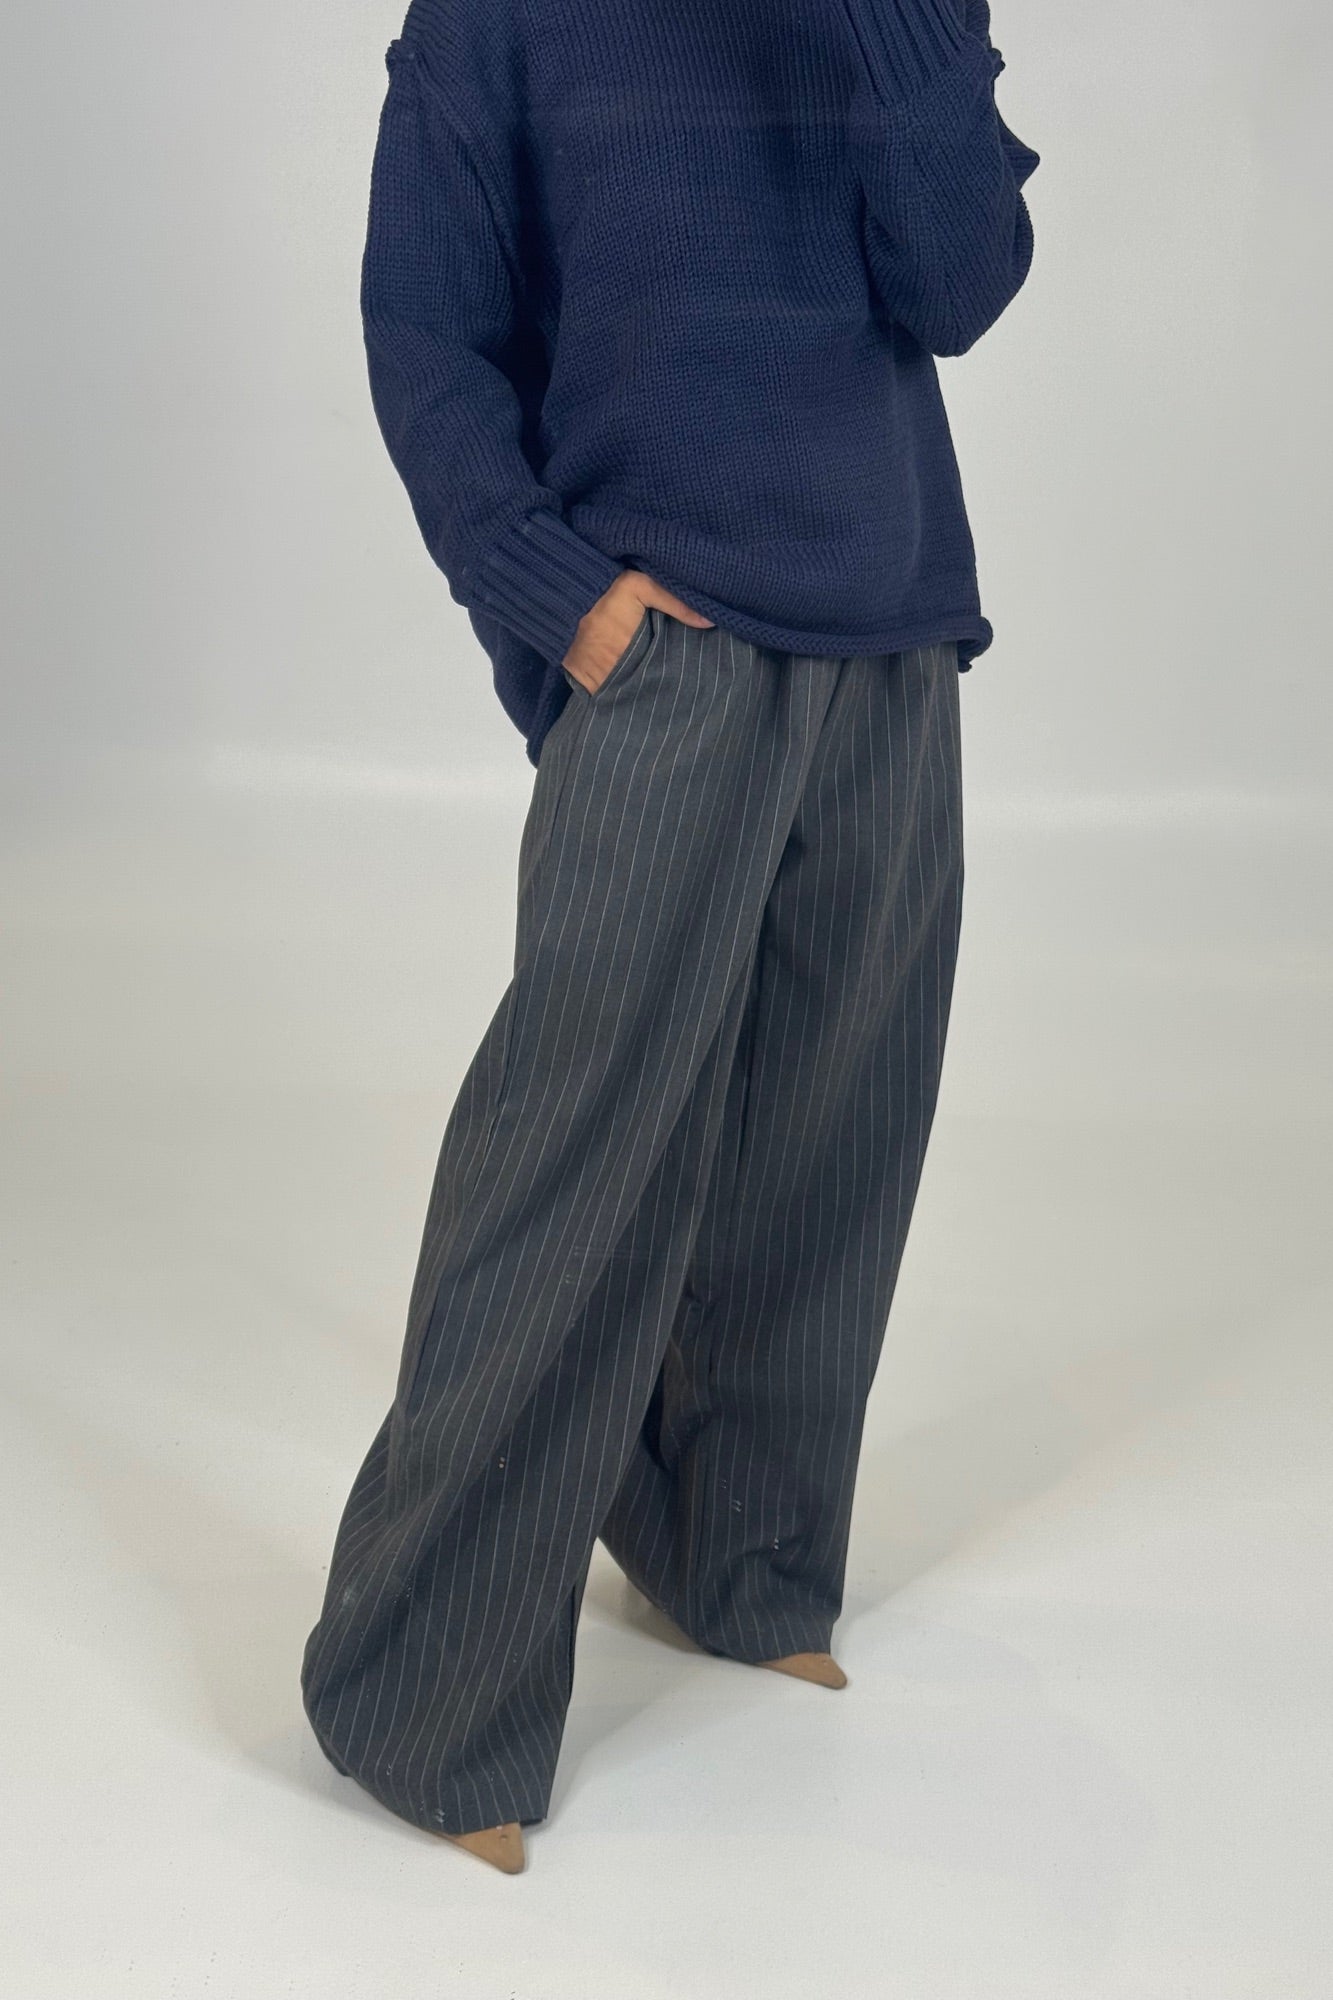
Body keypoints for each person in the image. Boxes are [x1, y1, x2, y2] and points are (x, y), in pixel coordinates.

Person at [300, 0, 1039, 1873]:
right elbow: (425, 335)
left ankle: (737, 1555)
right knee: (573, 1157)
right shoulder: (498, 19)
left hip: (891, 632)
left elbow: (961, 286)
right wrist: (559, 601)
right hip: (667, 649)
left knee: (826, 1148)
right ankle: (420, 1695)